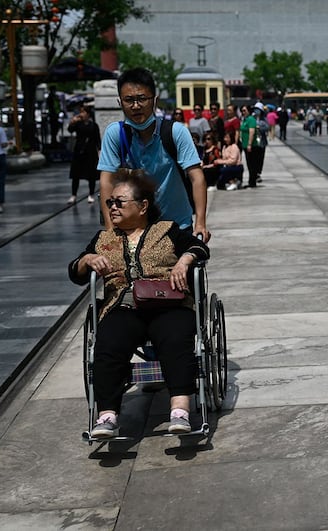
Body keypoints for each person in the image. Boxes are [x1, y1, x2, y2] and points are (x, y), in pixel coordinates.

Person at [68, 168, 210, 437]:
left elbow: (200, 248)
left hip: (167, 303)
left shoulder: (167, 230)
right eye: (110, 202)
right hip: (123, 306)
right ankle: (107, 415)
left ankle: (179, 410)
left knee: (176, 337)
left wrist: (184, 260)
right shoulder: (103, 239)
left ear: (143, 206)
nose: (112, 207)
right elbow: (74, 272)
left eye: (119, 202)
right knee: (108, 341)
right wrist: (87, 261)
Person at [97, 67, 209, 240]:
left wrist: (200, 223)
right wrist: (111, 230)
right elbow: (106, 182)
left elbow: (197, 177)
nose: (136, 106)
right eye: (129, 100)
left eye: (142, 99)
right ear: (120, 102)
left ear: (155, 101)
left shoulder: (175, 132)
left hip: (176, 226)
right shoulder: (115, 135)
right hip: (132, 229)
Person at [67, 105, 101, 204]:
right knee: (75, 175)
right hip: (79, 150)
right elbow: (70, 130)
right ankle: (73, 195)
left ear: (88, 114)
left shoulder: (93, 125)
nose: (81, 114)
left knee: (91, 175)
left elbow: (97, 139)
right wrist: (72, 122)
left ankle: (91, 194)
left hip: (90, 151)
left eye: (83, 112)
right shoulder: (78, 124)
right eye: (81, 112)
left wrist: (99, 151)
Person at [239, 105, 263, 188]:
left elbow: (252, 132)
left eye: (244, 111)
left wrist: (249, 144)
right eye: (242, 111)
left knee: (252, 164)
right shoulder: (244, 120)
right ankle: (251, 181)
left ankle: (252, 182)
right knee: (249, 164)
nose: (243, 112)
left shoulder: (251, 120)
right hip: (245, 145)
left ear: (249, 111)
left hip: (251, 146)